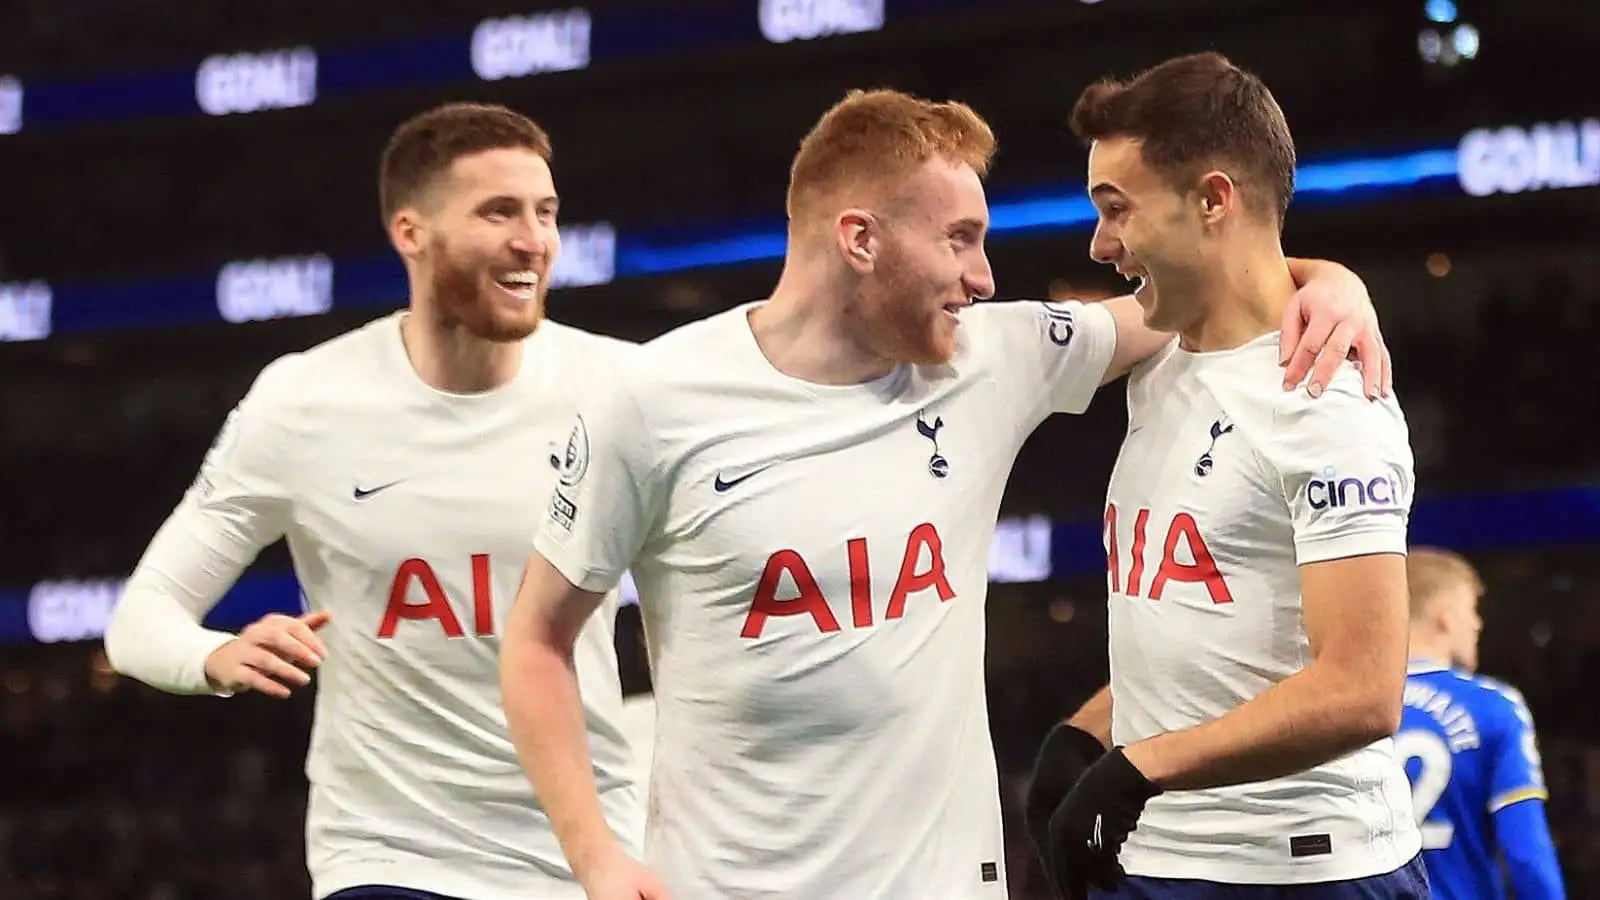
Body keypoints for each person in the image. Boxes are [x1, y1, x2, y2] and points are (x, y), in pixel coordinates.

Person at [499, 86, 1390, 900]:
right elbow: (538, 641)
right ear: (860, 238)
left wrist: (1331, 285)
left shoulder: (988, 354)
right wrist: (598, 859)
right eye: (959, 239)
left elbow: (1208, 286)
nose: (985, 278)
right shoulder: (652, 401)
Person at [103, 102, 644, 900]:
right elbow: (140, 618)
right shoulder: (303, 402)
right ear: (410, 232)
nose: (534, 240)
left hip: (590, 848)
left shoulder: (625, 391)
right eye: (499, 212)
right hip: (389, 854)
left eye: (546, 212)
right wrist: (212, 658)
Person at [1025, 53, 1427, 900]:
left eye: (1116, 209)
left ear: (1213, 200)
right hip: (1163, 857)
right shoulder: (1166, 359)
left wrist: (1136, 771)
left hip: (1305, 874)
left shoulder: (1326, 396)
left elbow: (1363, 689)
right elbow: (1210, 637)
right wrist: (1093, 734)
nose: (1100, 244)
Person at [1398, 548, 1566, 899]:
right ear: (1443, 616)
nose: (1478, 624)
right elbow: (1526, 853)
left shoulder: (1349, 708)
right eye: (1471, 610)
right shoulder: (1494, 707)